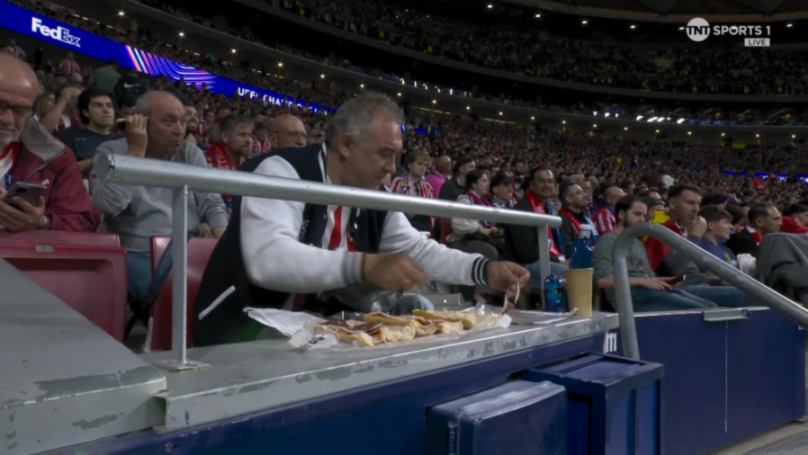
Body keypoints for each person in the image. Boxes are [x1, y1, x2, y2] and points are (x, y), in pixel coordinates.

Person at [193, 94, 529, 346]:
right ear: (347, 145)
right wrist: (363, 266)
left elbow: (416, 248)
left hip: (308, 325)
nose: (391, 168)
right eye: (384, 154)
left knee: (414, 312)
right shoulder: (284, 170)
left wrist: (483, 270)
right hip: (238, 324)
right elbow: (268, 260)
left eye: (396, 157)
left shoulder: (372, 193)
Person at [92, 90, 229, 303]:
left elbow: (210, 200)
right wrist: (136, 153)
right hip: (136, 251)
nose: (179, 131)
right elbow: (110, 205)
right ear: (141, 122)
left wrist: (225, 242)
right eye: (169, 122)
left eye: (183, 122)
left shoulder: (190, 153)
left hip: (186, 249)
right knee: (189, 292)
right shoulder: (109, 151)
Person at [0, 54, 99, 232]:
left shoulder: (56, 157)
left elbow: (80, 226)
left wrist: (42, 223)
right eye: (0, 105)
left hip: (20, 257)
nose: (8, 120)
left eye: (20, 110)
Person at [594, 196, 720, 312]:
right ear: (621, 214)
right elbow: (602, 280)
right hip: (630, 297)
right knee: (705, 311)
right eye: (637, 214)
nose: (642, 220)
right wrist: (642, 282)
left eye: (644, 215)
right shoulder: (608, 240)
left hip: (648, 292)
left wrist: (664, 281)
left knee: (711, 307)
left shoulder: (637, 243)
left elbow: (649, 277)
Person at [643, 185, 745, 307]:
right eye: (690, 203)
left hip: (697, 284)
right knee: (744, 295)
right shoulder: (660, 228)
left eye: (698, 204)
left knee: (749, 288)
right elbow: (676, 270)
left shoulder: (680, 227)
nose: (696, 209)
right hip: (678, 288)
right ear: (672, 203)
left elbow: (693, 275)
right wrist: (695, 235)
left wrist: (718, 281)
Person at [503, 165, 568, 289]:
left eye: (550, 181)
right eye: (541, 181)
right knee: (573, 275)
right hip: (523, 266)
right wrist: (559, 261)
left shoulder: (547, 208)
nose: (547, 185)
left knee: (586, 269)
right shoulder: (521, 210)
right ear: (531, 185)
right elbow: (527, 253)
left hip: (546, 260)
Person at [55, 89, 118, 177]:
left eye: (109, 106)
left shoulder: (122, 141)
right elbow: (56, 171)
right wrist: (92, 162)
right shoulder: (67, 137)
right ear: (86, 112)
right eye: (98, 105)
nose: (106, 110)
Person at [205, 115, 254, 215]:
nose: (248, 140)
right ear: (225, 137)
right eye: (242, 135)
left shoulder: (249, 161)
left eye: (249, 135)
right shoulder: (207, 161)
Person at [390, 150, 435, 232]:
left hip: (422, 225)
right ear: (410, 165)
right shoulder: (401, 181)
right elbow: (390, 205)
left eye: (425, 165)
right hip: (402, 220)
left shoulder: (428, 187)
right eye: (420, 164)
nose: (423, 168)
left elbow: (432, 212)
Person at [558, 179, 598, 256]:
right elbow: (567, 249)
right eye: (580, 193)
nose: (585, 195)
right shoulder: (562, 220)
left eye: (583, 192)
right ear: (569, 199)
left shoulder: (584, 216)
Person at [697, 205, 739, 270]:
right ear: (711, 225)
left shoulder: (726, 250)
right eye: (726, 222)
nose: (731, 227)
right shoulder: (698, 248)